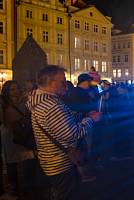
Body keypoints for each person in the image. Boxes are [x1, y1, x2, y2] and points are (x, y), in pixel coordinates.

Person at [27, 65, 101, 200]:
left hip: (50, 160)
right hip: (60, 164)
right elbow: (72, 134)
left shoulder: (42, 101)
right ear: (51, 83)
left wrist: (81, 115)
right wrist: (91, 119)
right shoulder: (52, 105)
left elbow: (59, 123)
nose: (66, 85)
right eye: (62, 81)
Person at [0, 81, 36, 199]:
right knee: (12, 161)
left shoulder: (24, 101)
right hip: (10, 134)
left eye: (16, 88)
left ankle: (25, 186)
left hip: (22, 132)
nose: (15, 91)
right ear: (6, 92)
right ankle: (14, 187)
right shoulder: (4, 103)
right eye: (12, 89)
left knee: (24, 159)